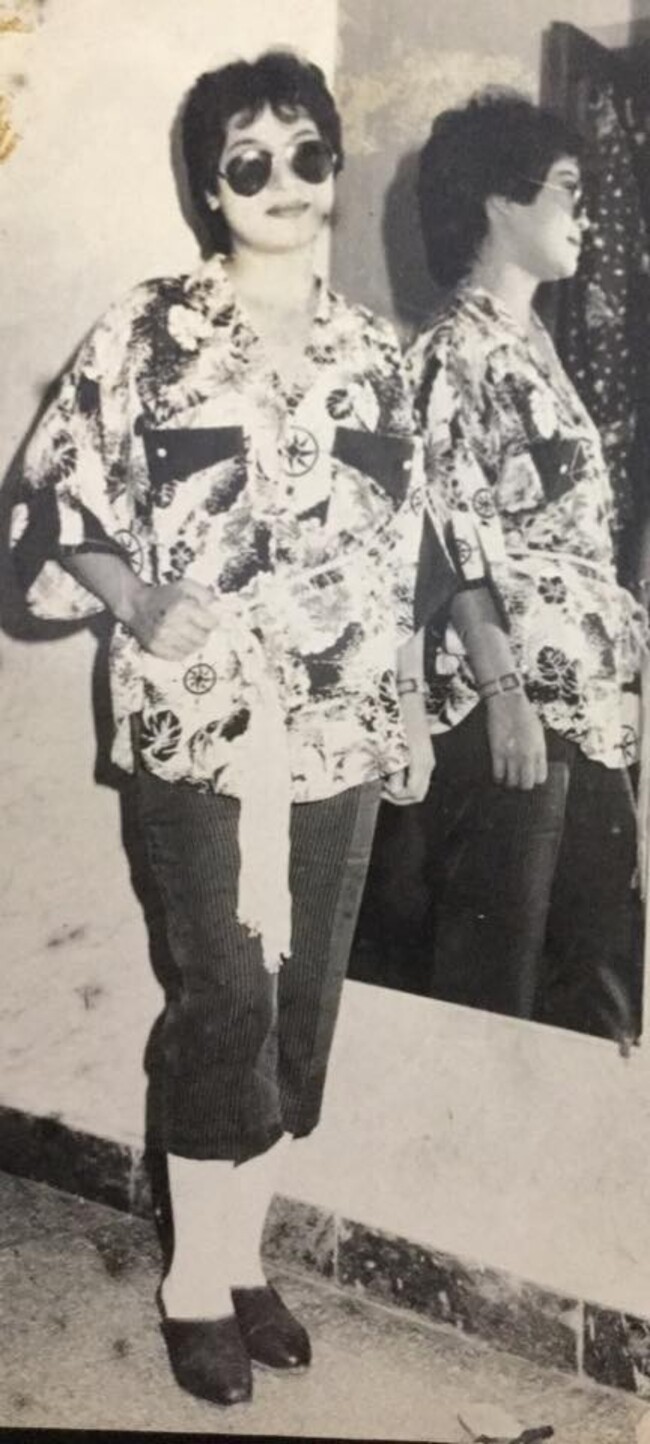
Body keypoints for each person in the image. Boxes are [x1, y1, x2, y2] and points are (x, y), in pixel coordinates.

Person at [10, 50, 452, 1407]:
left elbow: (409, 553)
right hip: (199, 730)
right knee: (228, 999)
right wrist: (137, 600)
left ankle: (238, 1255)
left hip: (341, 734)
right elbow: (52, 509)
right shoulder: (146, 332)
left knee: (297, 1012)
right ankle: (192, 1288)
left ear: (332, 169)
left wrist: (409, 709)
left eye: (306, 154)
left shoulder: (376, 355)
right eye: (247, 161)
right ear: (211, 185)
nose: (281, 182)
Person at [404, 90, 647, 1038]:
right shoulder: (451, 348)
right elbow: (448, 529)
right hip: (512, 708)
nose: (585, 216)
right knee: (494, 989)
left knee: (596, 988)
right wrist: (504, 692)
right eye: (568, 190)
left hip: (582, 708)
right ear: (503, 200)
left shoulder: (537, 350)